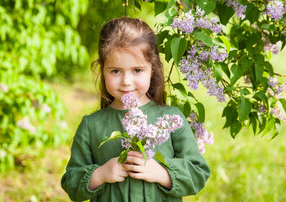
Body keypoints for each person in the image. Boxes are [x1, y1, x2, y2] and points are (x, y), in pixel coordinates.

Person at [61, 17, 210, 202]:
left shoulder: (171, 118)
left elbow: (199, 172)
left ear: (152, 69)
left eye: (137, 70)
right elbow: (71, 182)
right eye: (115, 71)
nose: (126, 81)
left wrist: (162, 173)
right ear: (102, 70)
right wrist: (100, 174)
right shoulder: (91, 125)